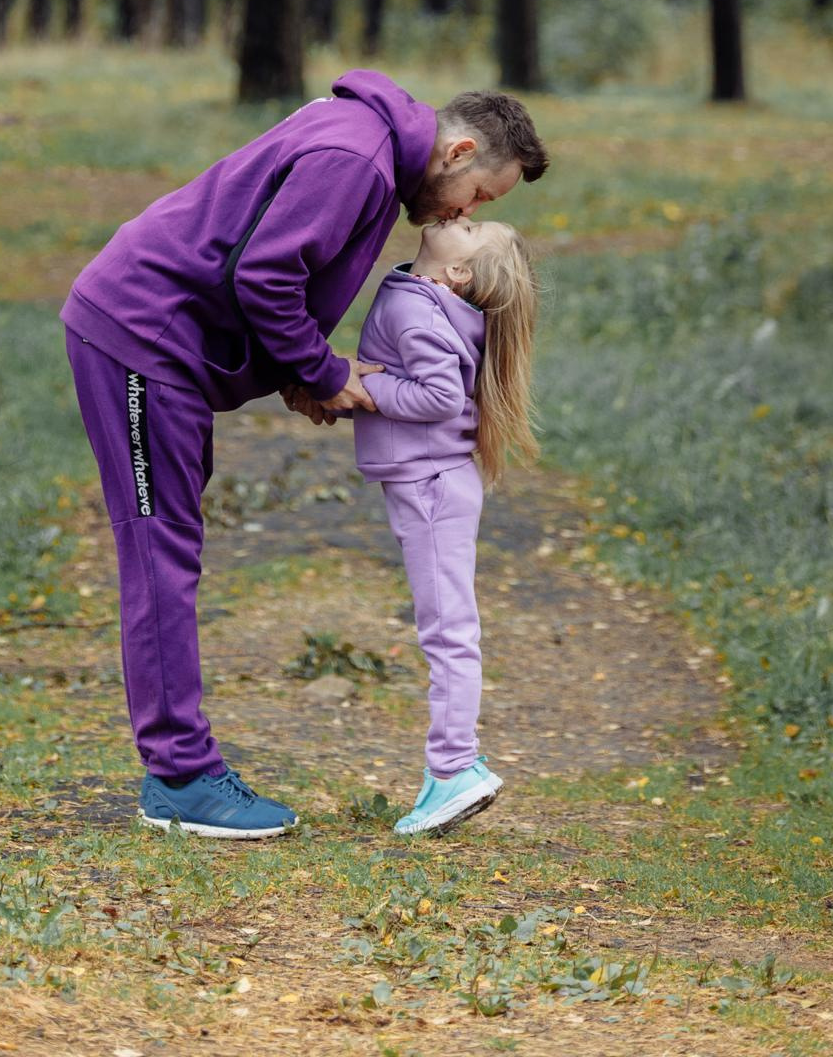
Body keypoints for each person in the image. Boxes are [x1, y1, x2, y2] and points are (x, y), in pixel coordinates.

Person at [59, 72, 547, 839]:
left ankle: (179, 769)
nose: (465, 212)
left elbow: (261, 258)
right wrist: (321, 373)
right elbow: (265, 275)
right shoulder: (357, 160)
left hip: (170, 351)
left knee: (171, 546)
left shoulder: (367, 149)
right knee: (159, 552)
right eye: (480, 197)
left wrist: (297, 370)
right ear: (457, 152)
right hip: (141, 340)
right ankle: (180, 777)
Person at [352, 213, 539, 837]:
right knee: (449, 624)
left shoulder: (422, 311)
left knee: (447, 629)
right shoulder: (423, 297)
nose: (460, 214)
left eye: (471, 226)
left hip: (431, 485)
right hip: (435, 480)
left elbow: (437, 398)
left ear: (458, 273)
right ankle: (456, 763)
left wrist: (369, 389)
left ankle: (454, 767)